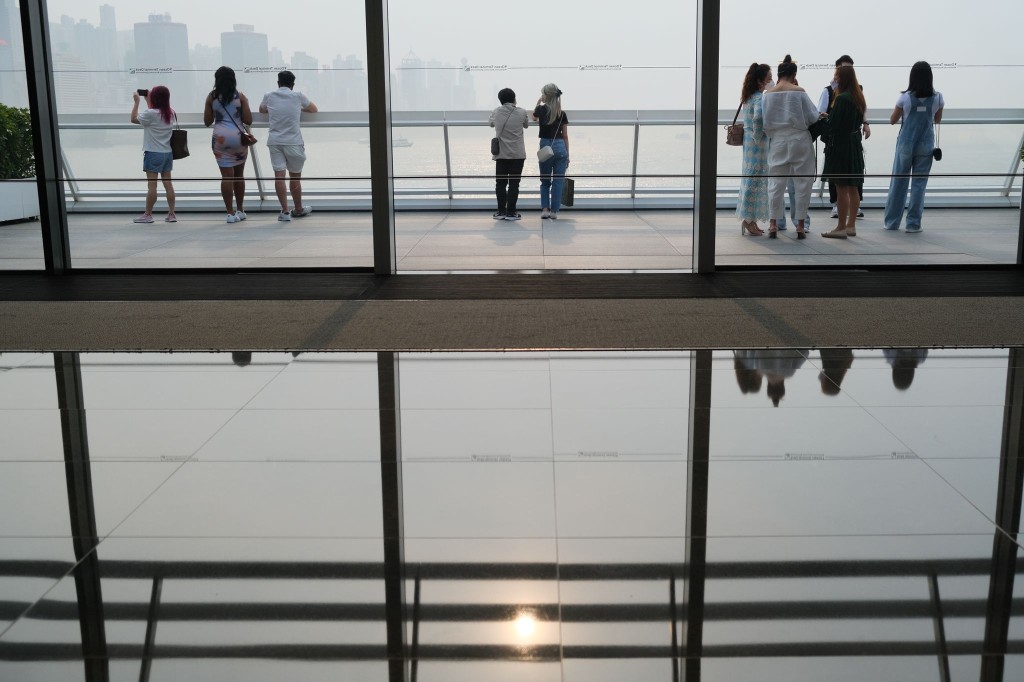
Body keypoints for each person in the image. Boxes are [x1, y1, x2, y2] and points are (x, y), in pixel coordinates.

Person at [883, 62, 945, 233]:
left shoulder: (904, 97)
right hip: (926, 143)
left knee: (898, 182)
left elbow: (892, 120)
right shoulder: (938, 97)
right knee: (919, 184)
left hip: (905, 143)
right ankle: (913, 224)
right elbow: (937, 120)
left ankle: (892, 222)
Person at [762, 56, 818, 239]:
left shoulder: (767, 94)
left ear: (778, 75)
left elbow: (766, 123)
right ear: (794, 75)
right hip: (799, 140)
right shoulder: (799, 91)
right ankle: (801, 225)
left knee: (775, 184)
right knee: (802, 182)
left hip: (778, 140)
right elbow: (813, 117)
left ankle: (772, 224)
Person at [259, 70, 318, 222]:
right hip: (294, 141)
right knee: (295, 176)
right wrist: (298, 109)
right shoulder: (298, 96)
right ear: (293, 85)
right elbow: (313, 109)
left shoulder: (269, 95)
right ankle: (298, 209)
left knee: (279, 176)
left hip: (275, 141)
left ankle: (285, 212)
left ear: (278, 83)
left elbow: (262, 110)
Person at [818, 56, 869, 219]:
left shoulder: (841, 97)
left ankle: (841, 224)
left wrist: (825, 118)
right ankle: (851, 223)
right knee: (854, 181)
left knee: (839, 181)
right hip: (853, 142)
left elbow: (832, 123)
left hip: (839, 143)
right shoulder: (853, 93)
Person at [204, 66, 252, 224]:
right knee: (239, 175)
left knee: (226, 177)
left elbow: (207, 122)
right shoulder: (240, 96)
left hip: (220, 138)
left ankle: (230, 214)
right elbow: (248, 120)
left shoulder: (212, 97)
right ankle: (241, 209)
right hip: (238, 139)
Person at [130, 85, 177, 224]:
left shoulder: (150, 114)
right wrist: (147, 100)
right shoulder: (171, 113)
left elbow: (133, 119)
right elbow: (155, 111)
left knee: (152, 186)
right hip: (167, 153)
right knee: (168, 184)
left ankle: (148, 215)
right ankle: (172, 214)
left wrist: (137, 102)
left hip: (153, 153)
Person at [735, 63, 772, 236]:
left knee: (749, 179)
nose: (771, 82)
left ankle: (750, 219)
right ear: (760, 81)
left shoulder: (748, 97)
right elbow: (758, 118)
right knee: (755, 180)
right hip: (757, 144)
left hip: (748, 143)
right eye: (769, 79)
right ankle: (749, 221)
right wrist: (759, 136)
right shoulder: (759, 98)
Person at [489, 88, 529, 221]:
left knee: (500, 183)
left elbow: (490, 123)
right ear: (514, 98)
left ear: (500, 100)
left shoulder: (496, 111)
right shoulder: (522, 112)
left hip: (501, 154)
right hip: (517, 154)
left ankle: (501, 212)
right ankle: (511, 212)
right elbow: (526, 125)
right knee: (514, 183)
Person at [533, 83, 569, 220]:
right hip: (560, 147)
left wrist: (538, 102)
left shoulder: (541, 110)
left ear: (545, 96)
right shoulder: (562, 113)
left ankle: (545, 210)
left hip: (546, 146)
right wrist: (568, 155)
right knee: (558, 181)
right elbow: (565, 135)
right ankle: (554, 211)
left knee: (545, 180)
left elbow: (534, 117)